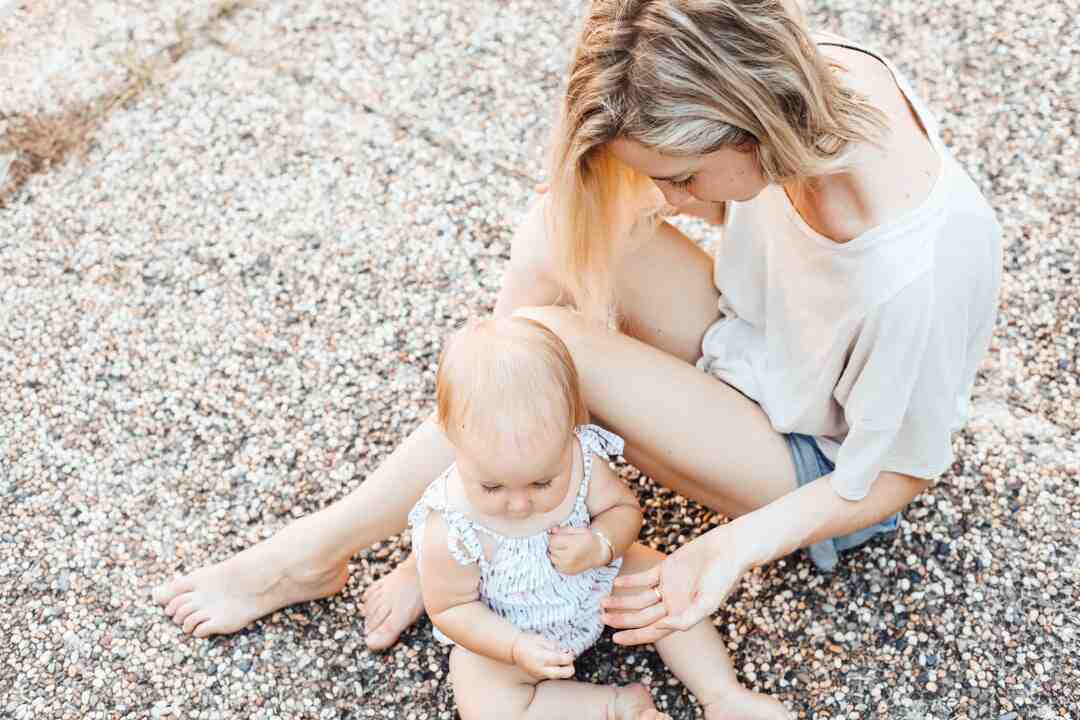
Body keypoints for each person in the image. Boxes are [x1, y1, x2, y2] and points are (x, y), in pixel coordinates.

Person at [153, 0, 1002, 660]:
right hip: (757, 346)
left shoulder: (919, 265)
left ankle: (319, 550)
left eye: (680, 175)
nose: (671, 200)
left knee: (552, 344)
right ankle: (473, 509)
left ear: (754, 127)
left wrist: (728, 551)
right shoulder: (811, 80)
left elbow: (897, 476)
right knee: (563, 223)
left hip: (818, 465)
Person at [408, 316, 785, 719]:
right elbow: (453, 610)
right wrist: (514, 646)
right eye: (493, 487)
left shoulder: (581, 459)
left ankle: (722, 694)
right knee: (483, 697)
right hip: (511, 629)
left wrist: (602, 543)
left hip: (599, 585)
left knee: (664, 578)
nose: (519, 505)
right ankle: (612, 707)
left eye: (541, 483)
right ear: (451, 438)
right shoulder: (450, 528)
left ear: (571, 430)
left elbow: (622, 511)